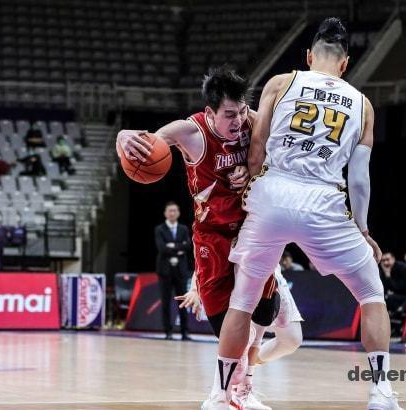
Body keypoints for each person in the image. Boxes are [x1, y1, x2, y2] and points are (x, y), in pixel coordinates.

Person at [209, 18, 402, 409]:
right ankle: (381, 393)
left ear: (309, 56)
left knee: (243, 302)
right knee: (371, 293)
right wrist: (363, 230)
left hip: (273, 192)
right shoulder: (362, 105)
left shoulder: (282, 83)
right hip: (324, 202)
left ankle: (220, 396)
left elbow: (256, 148)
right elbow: (359, 179)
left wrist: (250, 198)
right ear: (345, 64)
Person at [117, 66, 302, 410]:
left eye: (242, 111)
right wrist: (123, 136)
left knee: (261, 316)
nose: (238, 120)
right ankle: (225, 393)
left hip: (252, 230)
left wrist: (255, 170)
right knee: (228, 327)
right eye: (229, 114)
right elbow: (151, 140)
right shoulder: (192, 132)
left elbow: (282, 157)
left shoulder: (253, 122)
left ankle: (236, 393)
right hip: (212, 237)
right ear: (210, 112)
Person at [154, 201, 192, 340]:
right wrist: (179, 248)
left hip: (180, 270)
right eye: (169, 210)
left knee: (183, 301)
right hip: (165, 270)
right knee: (165, 301)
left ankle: (185, 332)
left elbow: (188, 246)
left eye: (174, 210)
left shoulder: (183, 229)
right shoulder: (160, 229)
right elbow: (162, 248)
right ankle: (168, 331)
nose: (172, 213)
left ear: (178, 213)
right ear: (165, 213)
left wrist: (172, 246)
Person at [379, 252, 406, 337]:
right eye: (383, 260)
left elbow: (399, 288)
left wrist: (388, 276)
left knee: (388, 299)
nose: (385, 263)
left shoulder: (403, 268)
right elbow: (382, 288)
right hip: (392, 296)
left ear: (393, 259)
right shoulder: (382, 270)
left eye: (387, 260)